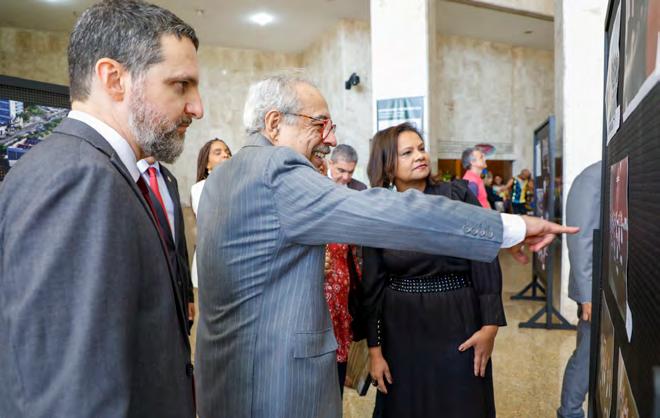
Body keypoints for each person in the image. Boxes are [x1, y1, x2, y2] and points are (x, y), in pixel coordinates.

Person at [194, 74, 577, 418]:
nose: (331, 139)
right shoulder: (278, 171)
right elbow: (391, 216)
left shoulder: (223, 179)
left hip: (230, 380)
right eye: (320, 124)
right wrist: (510, 226)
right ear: (274, 123)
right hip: (276, 384)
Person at [0, 1, 203, 416]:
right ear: (114, 79)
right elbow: (72, 395)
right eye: (180, 85)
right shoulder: (82, 180)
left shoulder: (89, 169)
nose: (197, 107)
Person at [364, 123, 505, 418]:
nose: (420, 156)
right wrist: (375, 351)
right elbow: (372, 285)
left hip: (459, 320)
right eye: (407, 153)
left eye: (421, 148)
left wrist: (490, 326)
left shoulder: (456, 196)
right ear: (387, 165)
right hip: (401, 328)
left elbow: (485, 258)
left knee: (462, 404)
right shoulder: (379, 211)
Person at [557, 161, 602, 418]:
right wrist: (587, 295)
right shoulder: (592, 178)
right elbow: (579, 239)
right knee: (586, 355)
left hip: (613, 288)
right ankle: (570, 412)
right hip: (594, 290)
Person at [324, 143, 367, 396]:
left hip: (349, 277)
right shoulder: (317, 185)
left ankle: (341, 382)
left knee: (345, 336)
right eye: (341, 170)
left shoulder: (360, 190)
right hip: (324, 277)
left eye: (351, 172)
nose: (346, 177)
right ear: (330, 164)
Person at [138, 156, 195, 329]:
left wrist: (188, 294)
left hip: (177, 288)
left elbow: (180, 242)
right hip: (148, 290)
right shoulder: (128, 176)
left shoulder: (170, 178)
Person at [190, 138, 232, 288]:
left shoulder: (239, 184)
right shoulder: (199, 189)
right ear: (207, 164)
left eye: (227, 152)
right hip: (212, 262)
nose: (225, 155)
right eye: (218, 153)